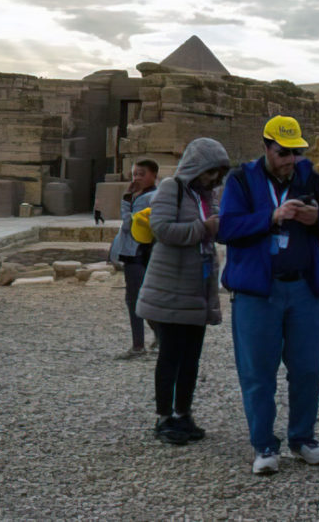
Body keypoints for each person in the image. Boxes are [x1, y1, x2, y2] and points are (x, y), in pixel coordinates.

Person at [218, 116, 319, 475]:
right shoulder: (241, 180)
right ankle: (264, 445)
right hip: (258, 293)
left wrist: (314, 219)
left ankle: (303, 438)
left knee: (308, 369)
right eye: (282, 152)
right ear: (266, 147)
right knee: (258, 373)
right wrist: (271, 216)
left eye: (295, 152)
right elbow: (226, 227)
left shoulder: (311, 179)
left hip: (303, 289)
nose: (289, 159)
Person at [135, 138, 229, 445]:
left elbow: (216, 225)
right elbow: (162, 229)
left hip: (197, 287)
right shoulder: (171, 189)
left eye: (217, 173)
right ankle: (164, 417)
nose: (212, 178)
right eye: (209, 171)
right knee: (170, 355)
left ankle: (184, 413)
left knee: (192, 357)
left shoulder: (206, 195)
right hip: (170, 286)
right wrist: (203, 229)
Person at [110, 159, 160, 359]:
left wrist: (127, 201)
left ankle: (140, 344)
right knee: (137, 298)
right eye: (135, 174)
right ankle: (153, 338)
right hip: (133, 251)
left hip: (140, 251)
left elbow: (130, 222)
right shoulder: (137, 196)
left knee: (137, 299)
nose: (137, 178)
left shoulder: (152, 197)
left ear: (153, 176)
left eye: (141, 174)